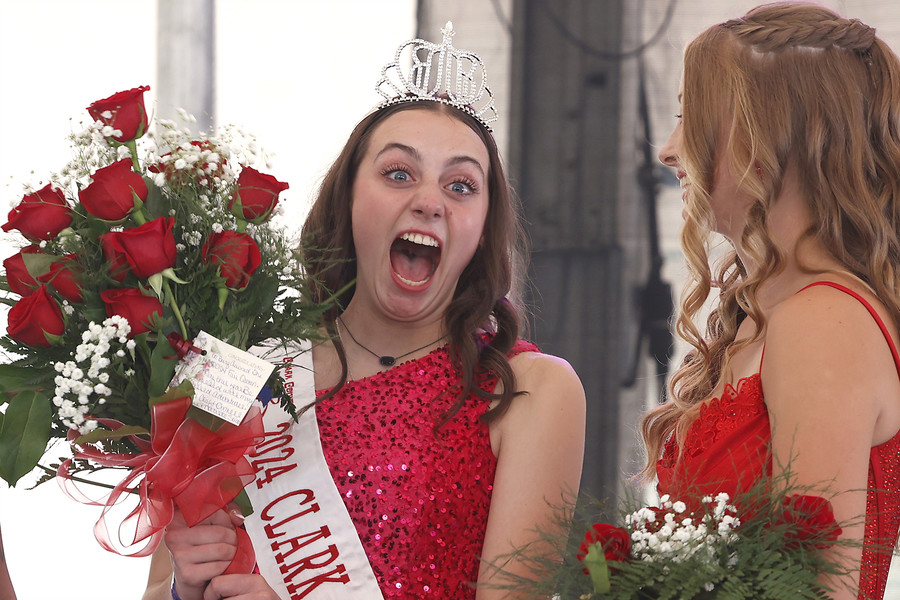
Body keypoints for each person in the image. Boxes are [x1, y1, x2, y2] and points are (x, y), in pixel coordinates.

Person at [146, 23, 586, 600]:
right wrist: (186, 585)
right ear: (348, 200)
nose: (429, 201)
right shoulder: (235, 364)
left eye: (460, 186)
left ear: (483, 229)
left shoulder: (529, 391)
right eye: (399, 173)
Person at [642, 3, 900, 599]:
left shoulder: (823, 320)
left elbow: (813, 588)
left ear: (766, 134)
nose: (669, 149)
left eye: (691, 117)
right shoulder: (776, 308)